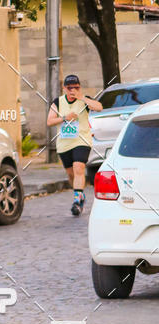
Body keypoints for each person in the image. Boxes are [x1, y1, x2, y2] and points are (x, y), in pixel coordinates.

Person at [47, 74, 103, 217]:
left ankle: (77, 202)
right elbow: (49, 121)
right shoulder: (58, 102)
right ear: (64, 88)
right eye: (69, 87)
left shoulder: (85, 100)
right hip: (64, 144)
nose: (73, 90)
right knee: (71, 175)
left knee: (79, 167)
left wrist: (82, 97)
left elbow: (99, 107)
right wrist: (65, 117)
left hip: (82, 140)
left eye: (76, 87)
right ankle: (80, 194)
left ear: (79, 88)